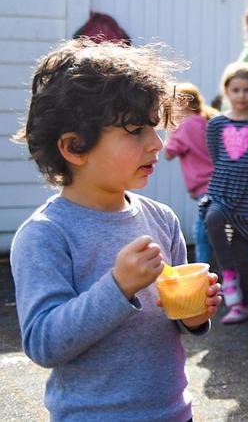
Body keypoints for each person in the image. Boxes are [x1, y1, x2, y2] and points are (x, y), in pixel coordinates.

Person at [10, 39, 221, 421]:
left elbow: (173, 319)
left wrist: (193, 315)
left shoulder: (162, 219)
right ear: (75, 147)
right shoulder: (45, 235)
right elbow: (44, 343)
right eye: (136, 130)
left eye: (154, 128)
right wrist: (118, 287)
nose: (157, 144)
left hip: (173, 412)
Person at [204, 63, 248, 325]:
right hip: (223, 187)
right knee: (213, 218)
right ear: (226, 91)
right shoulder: (217, 123)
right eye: (235, 90)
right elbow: (215, 155)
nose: (241, 95)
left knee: (243, 253)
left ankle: (240, 306)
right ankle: (228, 274)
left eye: (246, 90)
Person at [164, 82, 217, 264]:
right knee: (216, 225)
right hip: (218, 181)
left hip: (203, 185)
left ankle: (201, 264)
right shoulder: (206, 120)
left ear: (183, 103)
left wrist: (171, 130)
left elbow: (168, 153)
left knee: (201, 229)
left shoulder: (184, 126)